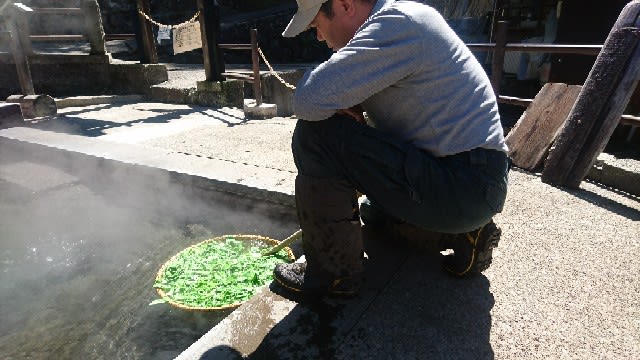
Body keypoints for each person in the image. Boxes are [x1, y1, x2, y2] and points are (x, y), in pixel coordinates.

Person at [272, 0, 510, 298]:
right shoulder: (403, 20)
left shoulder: (396, 23)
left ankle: (332, 275)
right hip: (473, 181)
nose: (319, 37)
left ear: (345, 5)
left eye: (316, 25)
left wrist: (341, 107)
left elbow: (307, 100)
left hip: (461, 184)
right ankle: (466, 233)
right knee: (374, 215)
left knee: (315, 135)